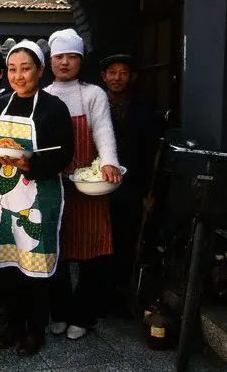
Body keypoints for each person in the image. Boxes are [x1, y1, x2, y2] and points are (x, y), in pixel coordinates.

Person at [0, 41, 74, 355]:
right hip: (2, 200)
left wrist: (29, 163)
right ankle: (14, 323)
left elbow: (63, 154)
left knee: (35, 268)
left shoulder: (53, 108)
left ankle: (36, 329)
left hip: (38, 198)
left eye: (26, 69)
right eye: (12, 69)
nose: (18, 76)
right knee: (6, 268)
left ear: (40, 71)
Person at [44, 28, 122, 340]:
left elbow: (103, 130)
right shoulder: (44, 95)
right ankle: (60, 311)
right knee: (56, 250)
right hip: (54, 184)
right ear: (50, 61)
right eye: (59, 57)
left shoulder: (94, 94)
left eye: (71, 57)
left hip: (89, 185)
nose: (64, 62)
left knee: (93, 251)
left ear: (80, 60)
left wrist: (108, 161)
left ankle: (84, 314)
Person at [100, 54, 158, 300]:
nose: (117, 78)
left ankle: (122, 295)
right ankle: (100, 294)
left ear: (132, 77)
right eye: (112, 72)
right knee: (102, 240)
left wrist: (149, 193)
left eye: (123, 73)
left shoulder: (145, 111)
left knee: (127, 239)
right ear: (104, 77)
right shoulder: (96, 104)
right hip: (100, 185)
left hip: (133, 186)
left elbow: (151, 156)